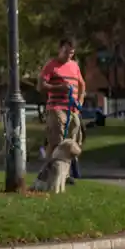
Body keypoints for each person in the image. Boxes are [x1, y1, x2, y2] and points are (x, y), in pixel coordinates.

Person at [37, 38, 85, 183]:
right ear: (60, 49)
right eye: (66, 52)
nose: (68, 55)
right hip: (56, 107)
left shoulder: (74, 66)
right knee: (57, 139)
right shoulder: (51, 66)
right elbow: (41, 86)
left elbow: (82, 85)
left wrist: (80, 102)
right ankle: (49, 170)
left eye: (71, 53)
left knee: (72, 142)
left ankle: (66, 173)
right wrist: (59, 88)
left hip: (72, 109)